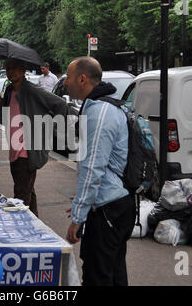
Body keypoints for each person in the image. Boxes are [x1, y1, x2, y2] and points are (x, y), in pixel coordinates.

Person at [65, 56, 135, 286]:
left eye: (69, 77)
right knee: (114, 274)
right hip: (115, 203)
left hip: (108, 209)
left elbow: (92, 168)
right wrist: (83, 203)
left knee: (98, 277)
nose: (65, 82)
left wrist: (78, 217)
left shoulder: (99, 112)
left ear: (82, 79)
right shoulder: (105, 105)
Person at [0, 58, 69, 217]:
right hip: (14, 150)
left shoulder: (32, 90)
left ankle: (21, 230)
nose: (11, 71)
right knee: (27, 191)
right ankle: (35, 224)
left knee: (21, 197)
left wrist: (49, 128)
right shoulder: (9, 90)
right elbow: (5, 117)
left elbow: (61, 104)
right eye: (8, 68)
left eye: (14, 68)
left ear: (23, 70)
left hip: (26, 151)